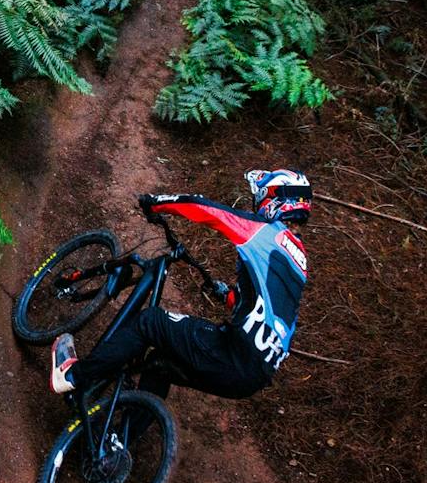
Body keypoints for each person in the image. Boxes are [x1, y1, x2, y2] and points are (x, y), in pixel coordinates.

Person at [50, 169, 312, 401]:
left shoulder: (266, 233)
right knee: (160, 365)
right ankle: (119, 438)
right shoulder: (299, 262)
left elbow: (208, 210)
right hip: (254, 377)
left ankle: (71, 376)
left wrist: (156, 203)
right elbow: (269, 310)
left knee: (150, 321)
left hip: (233, 352)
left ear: (275, 200)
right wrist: (229, 297)